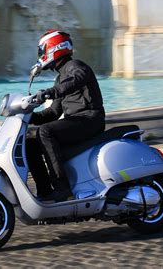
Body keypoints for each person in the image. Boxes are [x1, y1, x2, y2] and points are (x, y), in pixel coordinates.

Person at [26, 30, 106, 202]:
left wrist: (51, 92)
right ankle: (45, 191)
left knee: (45, 132)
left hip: (90, 119)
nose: (41, 55)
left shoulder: (76, 66)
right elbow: (53, 113)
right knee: (29, 143)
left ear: (54, 48)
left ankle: (62, 188)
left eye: (42, 50)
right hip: (76, 122)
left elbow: (76, 80)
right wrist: (26, 116)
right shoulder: (60, 78)